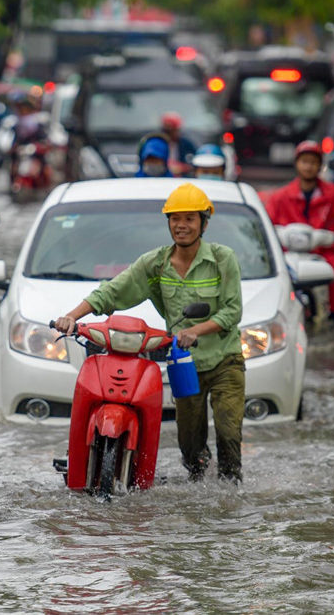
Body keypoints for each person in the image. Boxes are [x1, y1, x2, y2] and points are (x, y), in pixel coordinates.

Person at [53, 183, 246, 482]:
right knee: (189, 446)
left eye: (189, 219)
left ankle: (231, 494)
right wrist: (71, 315)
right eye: (175, 219)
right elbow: (113, 291)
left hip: (225, 361)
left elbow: (232, 312)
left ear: (204, 223)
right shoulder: (156, 263)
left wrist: (195, 330)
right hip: (185, 364)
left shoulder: (223, 259)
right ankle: (199, 481)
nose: (181, 226)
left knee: (228, 432)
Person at [265, 140, 334, 327]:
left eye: (313, 162)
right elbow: (267, 222)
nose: (308, 167)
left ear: (320, 166)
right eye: (304, 161)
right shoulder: (279, 197)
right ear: (297, 164)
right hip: (288, 252)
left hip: (324, 250)